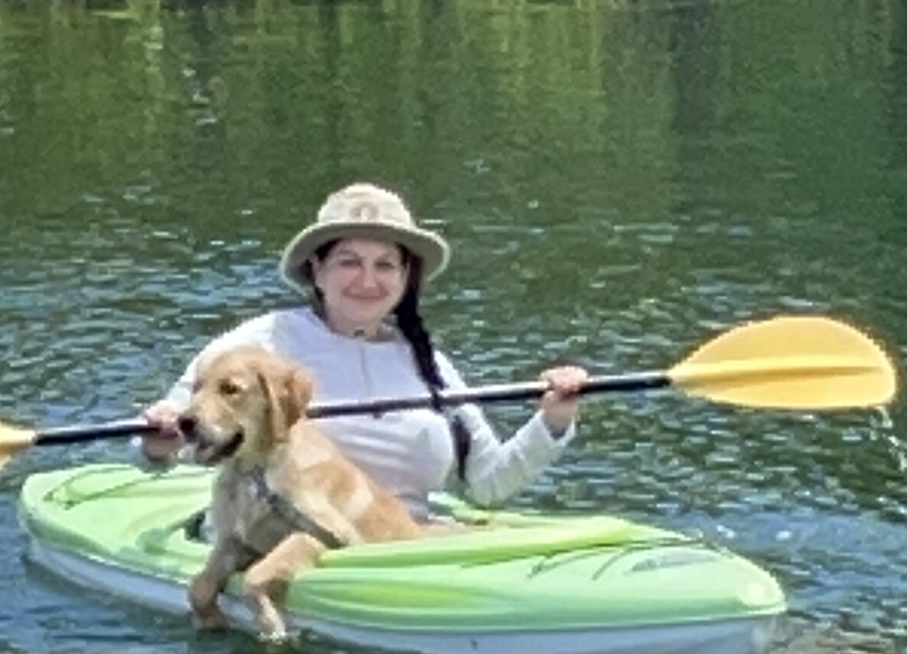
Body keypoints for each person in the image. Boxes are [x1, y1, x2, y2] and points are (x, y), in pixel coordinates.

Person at [139, 182, 592, 508]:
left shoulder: (426, 363)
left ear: (405, 277)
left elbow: (488, 485)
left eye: (385, 265)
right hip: (291, 533)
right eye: (349, 262)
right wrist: (160, 440)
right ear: (317, 271)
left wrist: (552, 421)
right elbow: (174, 438)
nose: (367, 281)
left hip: (400, 538)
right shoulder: (259, 345)